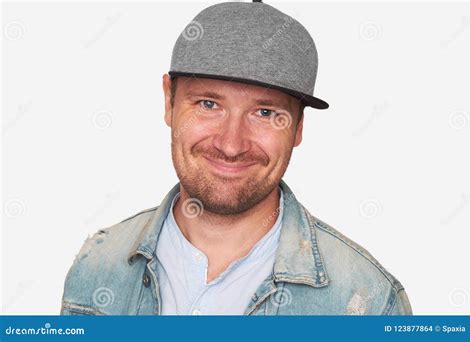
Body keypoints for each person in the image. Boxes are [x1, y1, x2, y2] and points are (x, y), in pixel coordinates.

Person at [61, 0, 412, 315]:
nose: (231, 145)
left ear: (299, 127)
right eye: (208, 104)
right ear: (168, 101)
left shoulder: (369, 301)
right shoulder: (97, 265)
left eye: (264, 112)